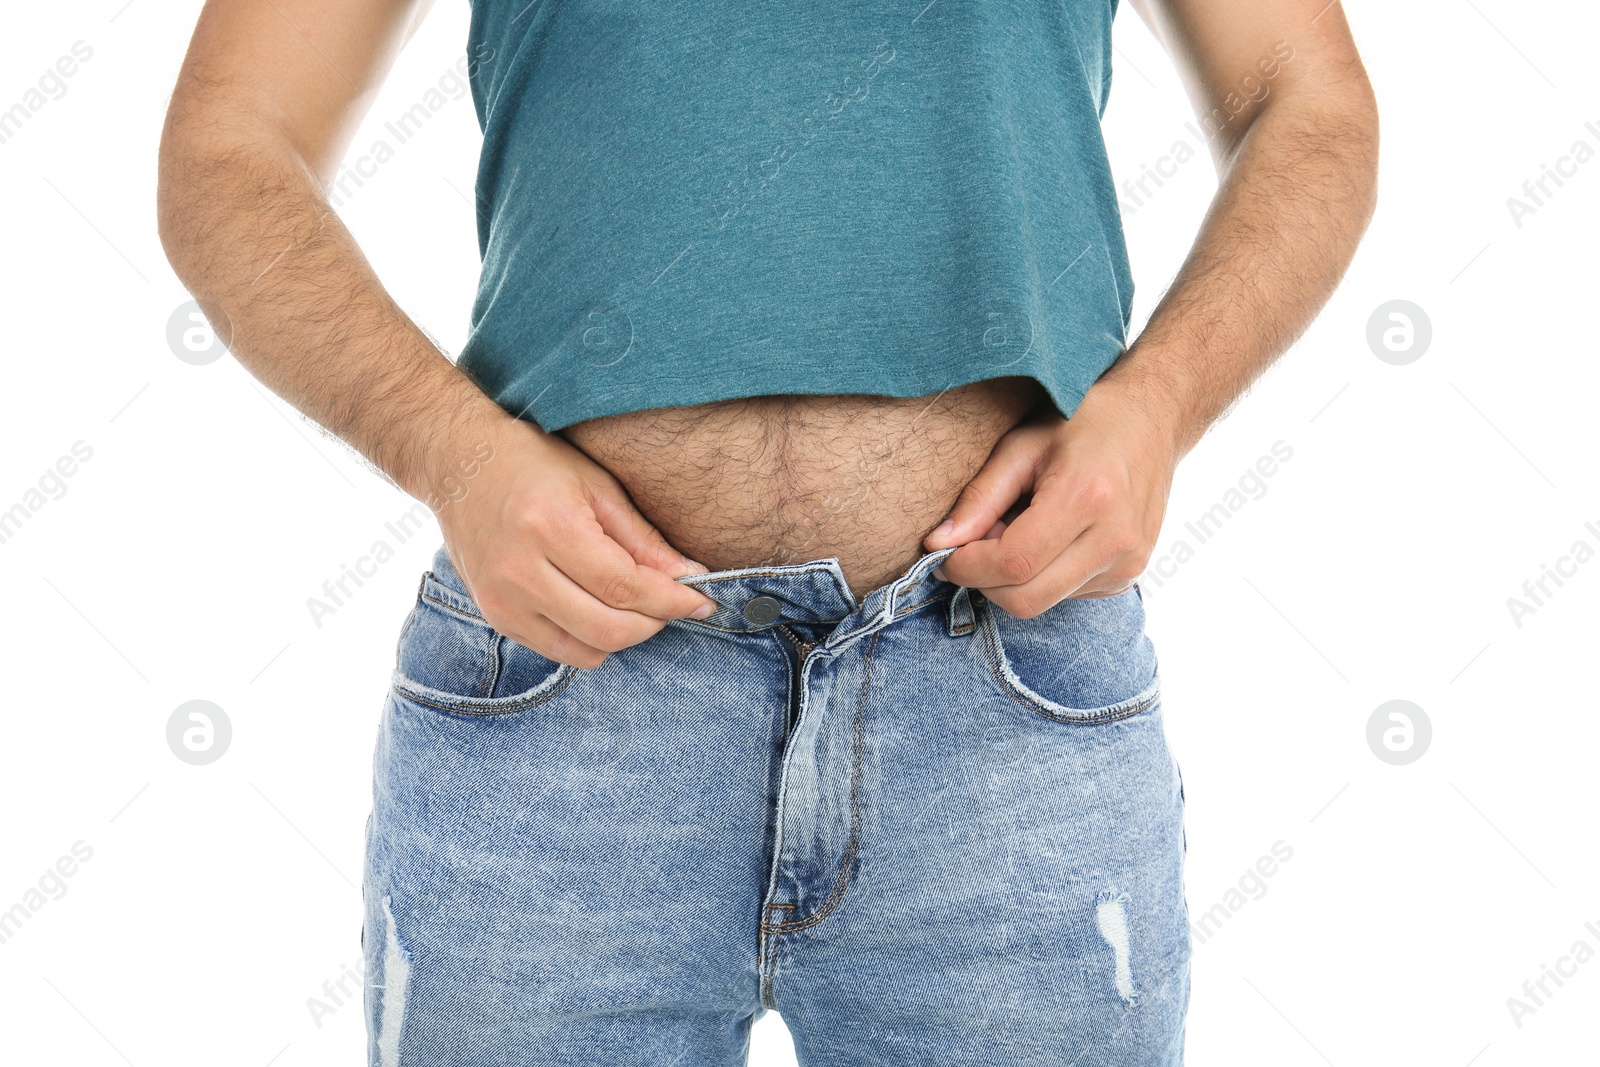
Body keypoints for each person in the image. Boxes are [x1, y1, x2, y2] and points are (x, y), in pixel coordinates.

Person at [157, 0, 1376, 1063]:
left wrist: (1157, 406)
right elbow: (229, 144)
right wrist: (449, 450)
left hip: (1003, 687)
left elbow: (1306, 98)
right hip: (565, 703)